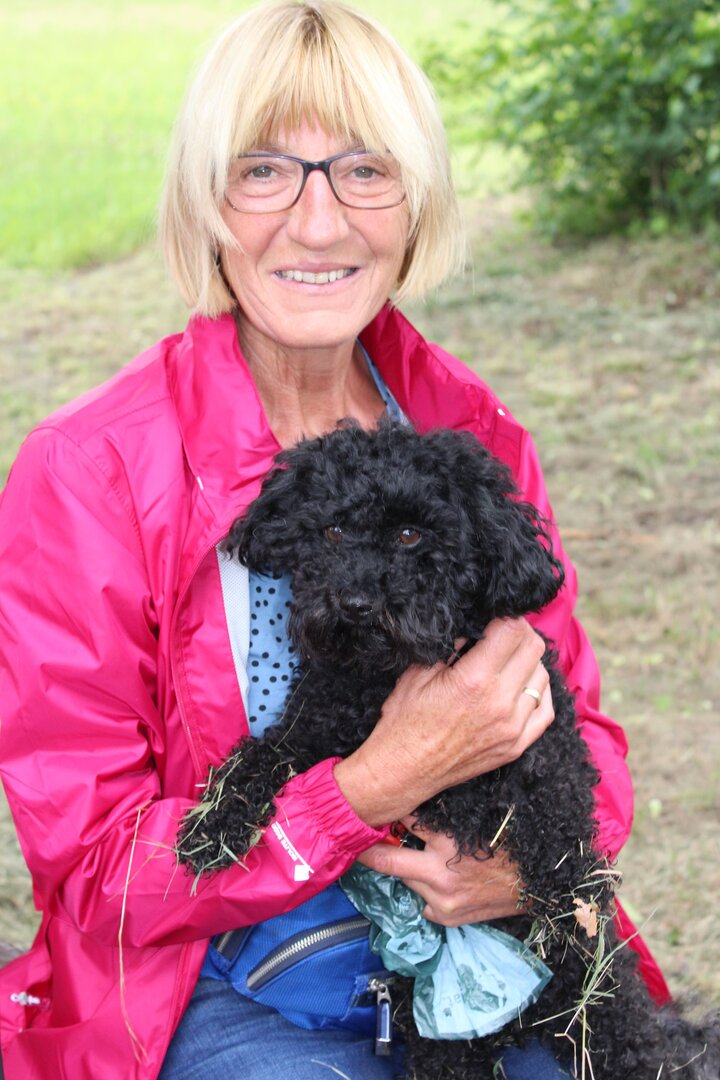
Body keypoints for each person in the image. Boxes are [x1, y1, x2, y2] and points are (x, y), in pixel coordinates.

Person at [0, 3, 669, 1078]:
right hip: (217, 985)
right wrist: (362, 792)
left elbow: (581, 728)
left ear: (416, 201)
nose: (318, 224)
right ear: (205, 203)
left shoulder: (468, 430)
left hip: (486, 952)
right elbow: (92, 867)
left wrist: (523, 871)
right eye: (264, 172)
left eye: (364, 171)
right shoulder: (91, 472)